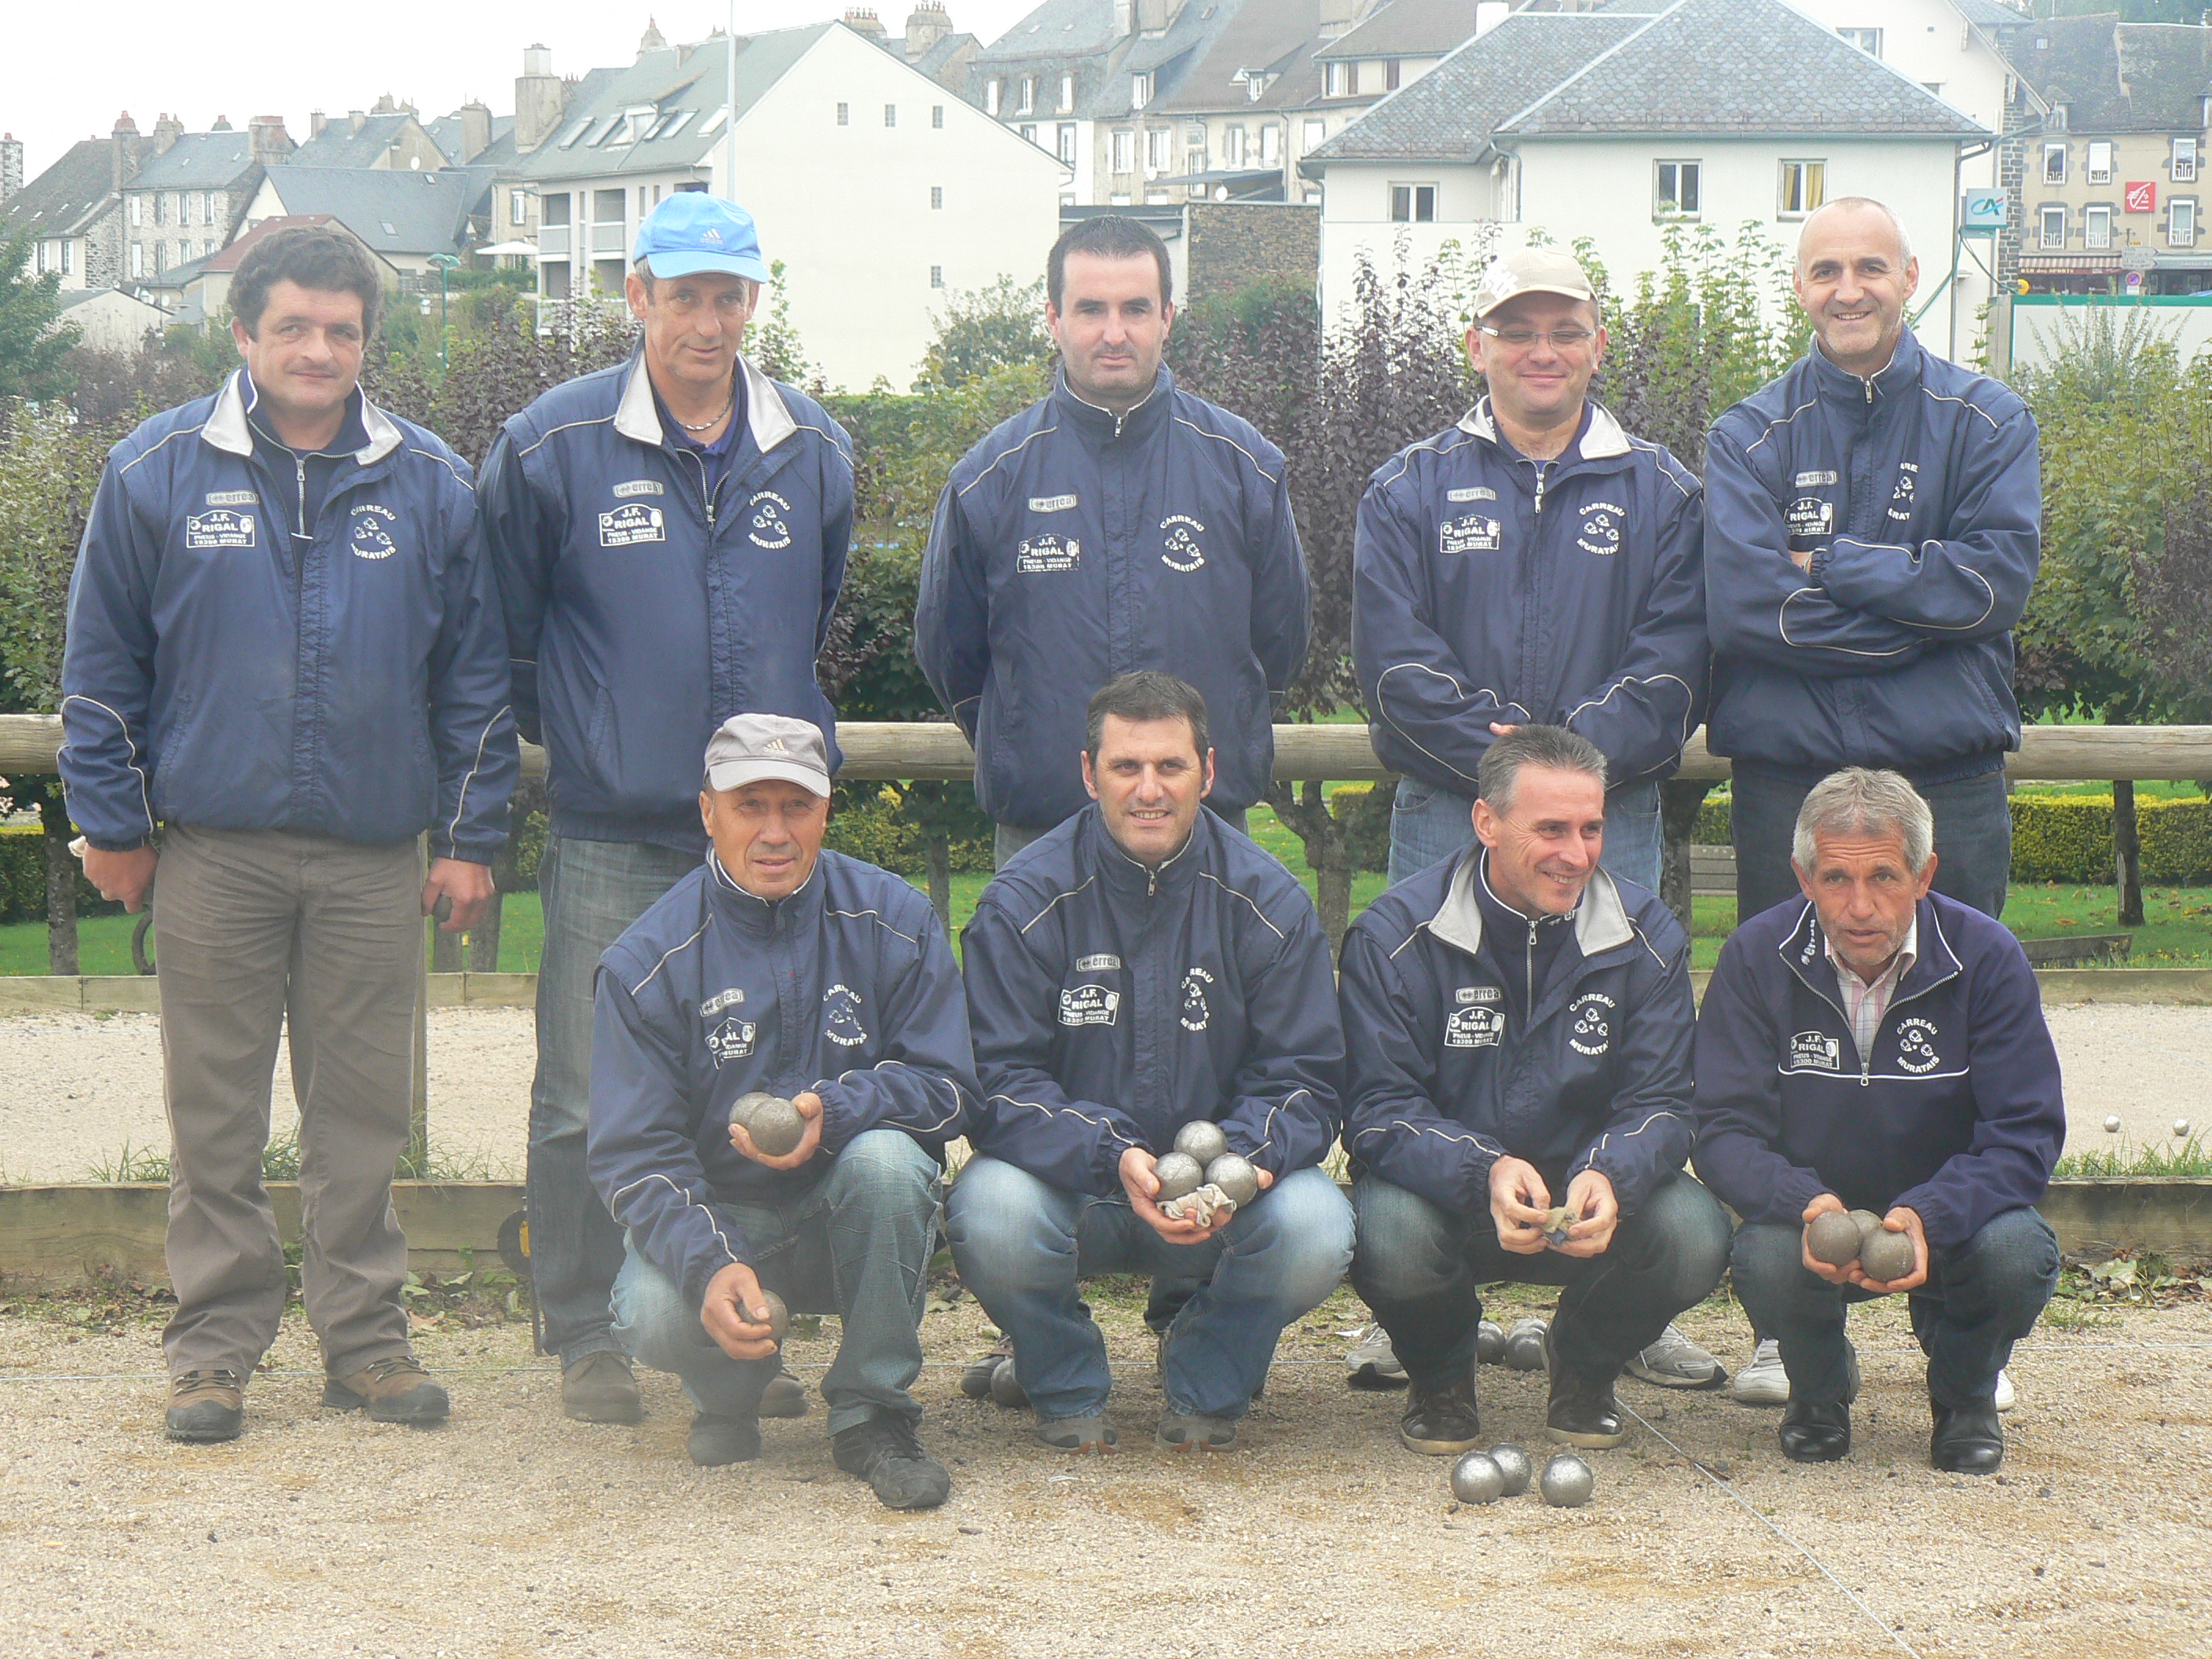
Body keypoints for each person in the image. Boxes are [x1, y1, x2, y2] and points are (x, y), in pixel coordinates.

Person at [60, 225, 516, 1441]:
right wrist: (111, 822)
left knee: (361, 1117)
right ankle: (212, 1351)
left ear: (370, 340)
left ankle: (364, 1343)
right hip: (213, 851)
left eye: (343, 330)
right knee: (214, 1117)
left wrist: (471, 838)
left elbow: (474, 683)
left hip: (376, 857)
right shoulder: (154, 468)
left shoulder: (432, 481)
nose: (319, 350)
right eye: (295, 327)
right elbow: (101, 671)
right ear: (243, 332)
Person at [481, 193, 852, 1426]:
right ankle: (582, 1321)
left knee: (759, 1080)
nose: (707, 319)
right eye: (683, 294)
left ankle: (741, 1322)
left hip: (767, 835)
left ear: (756, 300)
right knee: (587, 1088)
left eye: (728, 295)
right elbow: (509, 639)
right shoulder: (550, 444)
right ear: (635, 295)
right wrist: (595, 735)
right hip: (614, 824)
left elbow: (816, 610)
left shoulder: (813, 447)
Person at [1348, 244, 1721, 1394]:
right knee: (1426, 1046)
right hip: (1446, 810)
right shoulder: (1407, 484)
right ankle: (1415, 1305)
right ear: (1478, 346)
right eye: (1517, 330)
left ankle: (1623, 1303)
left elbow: (1675, 663)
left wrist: (1565, 782)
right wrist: (1506, 765)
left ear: (1599, 343)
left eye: (1563, 329)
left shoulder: (1664, 489)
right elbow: (1395, 666)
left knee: (1625, 1051)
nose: (1541, 350)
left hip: (1616, 817)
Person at [945, 673, 1353, 1454]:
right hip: (1077, 1191)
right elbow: (994, 1081)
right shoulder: (1020, 901)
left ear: (1207, 769)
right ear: (1087, 773)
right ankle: (1060, 1374)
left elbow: (1305, 1077)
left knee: (1315, 1223)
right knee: (988, 1211)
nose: (1148, 790)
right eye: (1125, 767)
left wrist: (1246, 1160)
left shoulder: (1269, 901)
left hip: (1214, 1202)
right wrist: (1110, 1153)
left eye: (1169, 766)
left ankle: (1204, 1367)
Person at [587, 715, 976, 1508]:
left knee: (889, 1160)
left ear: (827, 810)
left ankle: (873, 1413)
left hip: (852, 1214)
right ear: (707, 813)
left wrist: (835, 1110)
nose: (773, 832)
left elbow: (950, 1088)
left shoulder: (894, 920)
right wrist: (710, 1261)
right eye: (749, 805)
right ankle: (727, 1387)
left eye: (795, 807)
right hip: (726, 1218)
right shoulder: (644, 962)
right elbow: (633, 1154)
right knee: (653, 1310)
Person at [1338, 726, 1730, 1456]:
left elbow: (1667, 1104)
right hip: (1449, 1196)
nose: (1576, 854)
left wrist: (1608, 1172)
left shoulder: (1649, 935)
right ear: (1486, 822)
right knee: (1385, 1232)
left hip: (1589, 1201)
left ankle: (1582, 1366)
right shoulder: (1395, 935)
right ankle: (1441, 1377)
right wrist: (1481, 1168)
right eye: (1550, 829)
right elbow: (1375, 1110)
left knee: (1695, 1235)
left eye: (1591, 829)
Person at [1692, 769, 2062, 1474]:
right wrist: (1804, 1203)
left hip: (1947, 1216)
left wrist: (1928, 1214)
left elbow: (2027, 1134)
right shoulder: (1752, 958)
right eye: (1835, 879)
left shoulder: (1987, 957)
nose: (1860, 907)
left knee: (2019, 1252)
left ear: (1925, 875)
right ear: (1804, 877)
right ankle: (1819, 1392)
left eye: (1885, 877)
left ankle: (1963, 1394)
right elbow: (1722, 1131)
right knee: (1762, 1255)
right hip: (1812, 1215)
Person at [915, 214, 1309, 869]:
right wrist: (1024, 743)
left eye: (1135, 308)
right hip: (1043, 833)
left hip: (1209, 833)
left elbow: (1280, 645)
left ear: (1168, 318)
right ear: (1054, 317)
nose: (1114, 333)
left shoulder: (1246, 468)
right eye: (1091, 309)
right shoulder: (990, 478)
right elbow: (950, 653)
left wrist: (1220, 739)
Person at [1703, 196, 2040, 925]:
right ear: (1800, 287)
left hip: (1949, 785)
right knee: (1795, 1020)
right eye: (1826, 270)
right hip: (1786, 789)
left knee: (1953, 1011)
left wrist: (1831, 567)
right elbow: (1743, 616)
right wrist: (1926, 620)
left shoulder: (1990, 421)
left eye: (1871, 268)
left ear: (1911, 276)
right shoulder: (1746, 437)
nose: (1848, 289)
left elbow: (1992, 587)